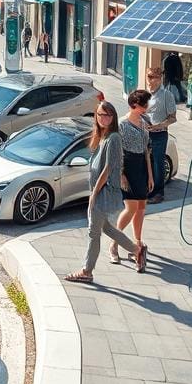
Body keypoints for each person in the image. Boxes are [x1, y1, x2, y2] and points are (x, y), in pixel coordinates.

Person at [65, 101, 146, 283]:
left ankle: (87, 271)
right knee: (106, 228)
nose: (104, 118)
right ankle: (137, 250)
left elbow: (108, 168)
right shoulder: (102, 136)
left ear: (114, 117)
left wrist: (94, 195)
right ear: (96, 116)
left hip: (103, 193)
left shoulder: (114, 138)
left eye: (108, 115)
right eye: (101, 115)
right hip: (100, 191)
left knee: (93, 233)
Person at [112, 90, 154, 267]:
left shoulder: (145, 122)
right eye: (145, 104)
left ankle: (137, 241)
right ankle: (114, 244)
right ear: (135, 105)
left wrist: (150, 175)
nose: (148, 107)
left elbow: (146, 150)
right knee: (131, 207)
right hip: (127, 166)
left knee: (141, 207)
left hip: (141, 166)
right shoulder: (122, 124)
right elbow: (117, 151)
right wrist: (121, 174)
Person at [145, 67, 176, 204]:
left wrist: (159, 126)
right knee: (146, 162)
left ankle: (158, 193)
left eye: (153, 77)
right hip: (146, 133)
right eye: (148, 76)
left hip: (159, 134)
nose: (150, 80)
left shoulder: (166, 95)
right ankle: (148, 189)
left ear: (159, 79)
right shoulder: (146, 94)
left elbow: (172, 118)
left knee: (158, 164)